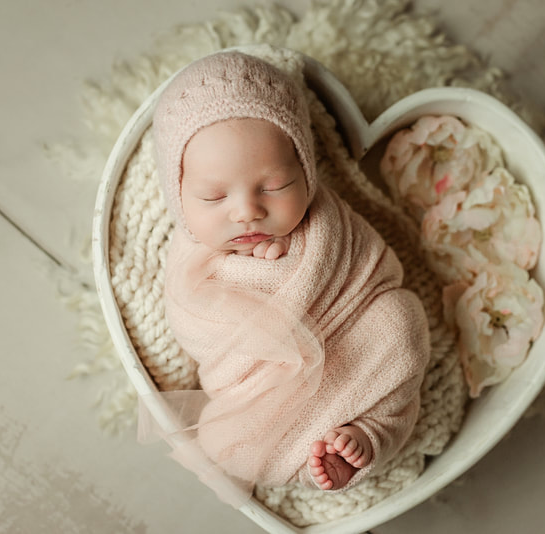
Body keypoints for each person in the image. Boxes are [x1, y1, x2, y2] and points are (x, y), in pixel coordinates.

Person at [151, 49, 429, 502]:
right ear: (178, 196)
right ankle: (317, 457)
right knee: (226, 443)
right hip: (264, 391)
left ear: (305, 169)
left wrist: (294, 257)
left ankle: (372, 433)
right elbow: (196, 330)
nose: (246, 211)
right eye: (213, 196)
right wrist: (252, 279)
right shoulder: (190, 265)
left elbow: (377, 271)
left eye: (273, 187)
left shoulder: (328, 222)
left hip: (356, 344)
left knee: (401, 321)